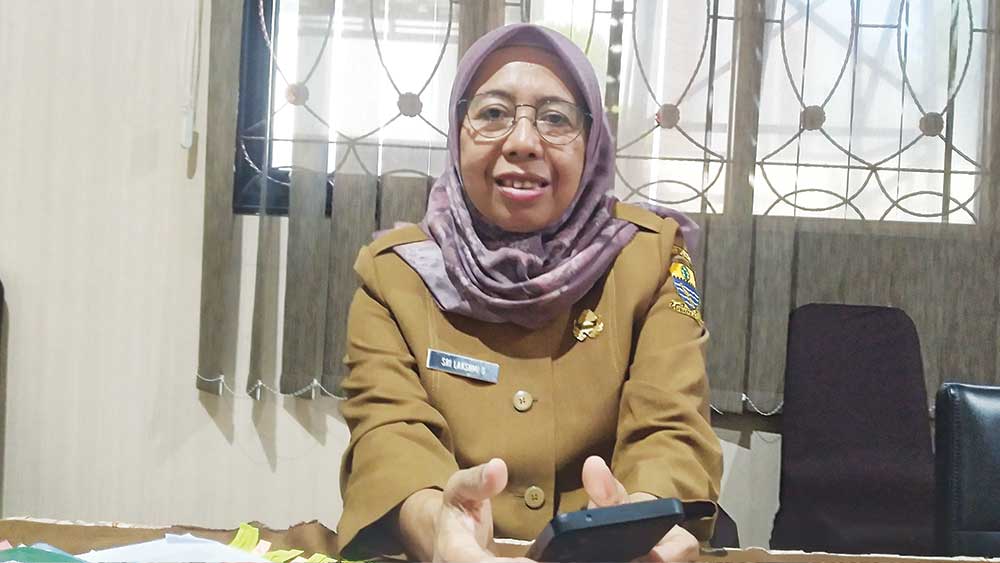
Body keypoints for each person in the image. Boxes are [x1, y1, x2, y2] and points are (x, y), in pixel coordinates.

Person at [336, 23, 722, 562]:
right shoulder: (395, 276)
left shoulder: (652, 257)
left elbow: (671, 422)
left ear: (592, 143)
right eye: (493, 113)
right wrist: (438, 526)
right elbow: (388, 436)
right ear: (457, 131)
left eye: (556, 119)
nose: (521, 142)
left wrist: (641, 519)